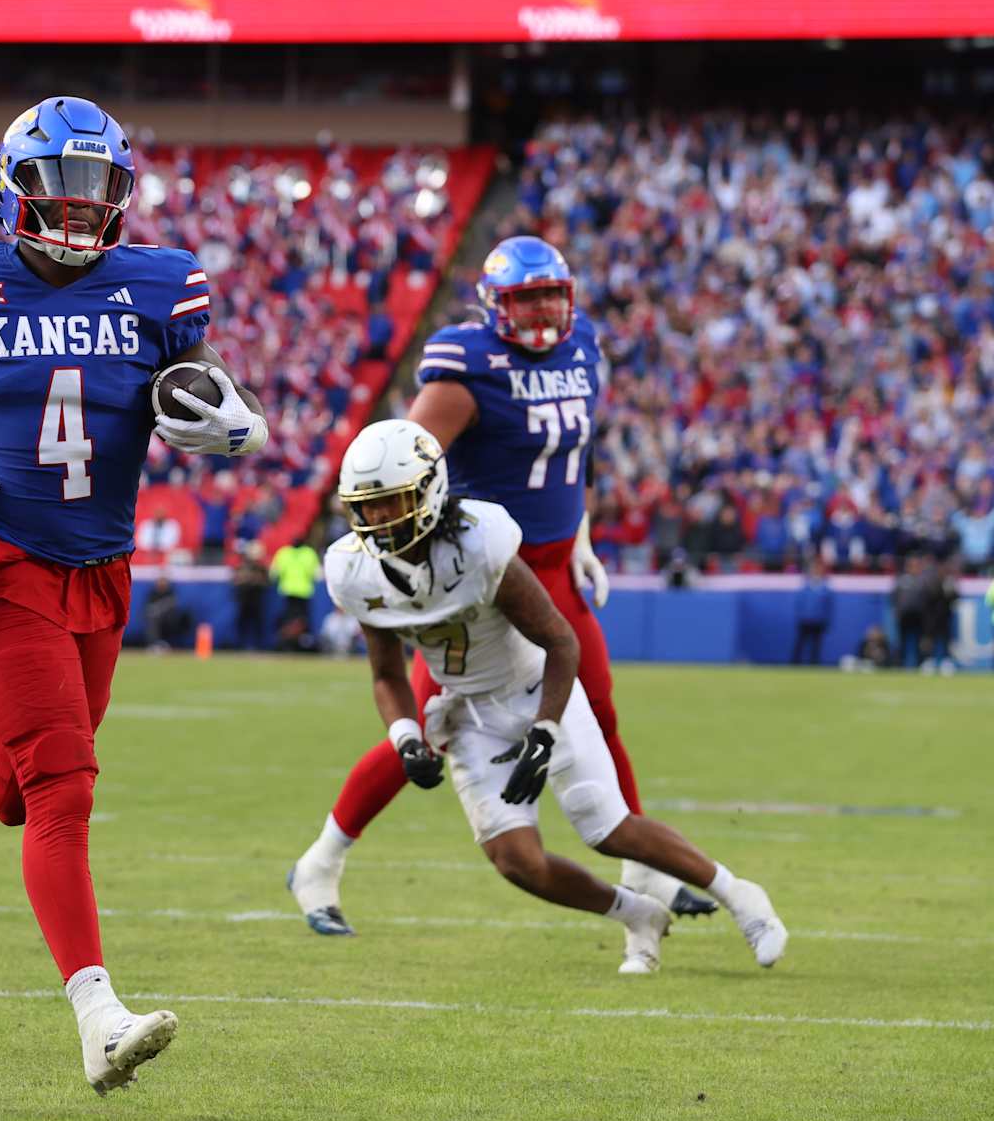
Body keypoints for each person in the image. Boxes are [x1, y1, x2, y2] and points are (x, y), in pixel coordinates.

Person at [0, 95, 269, 1095]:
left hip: (102, 570)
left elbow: (214, 391)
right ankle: (98, 1017)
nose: (77, 208)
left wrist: (235, 425)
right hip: (1, 562)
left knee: (13, 789)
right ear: (15, 190)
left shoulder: (160, 286)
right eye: (59, 187)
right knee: (64, 789)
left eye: (94, 190)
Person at [290, 236, 710, 937]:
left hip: (553, 567)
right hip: (481, 577)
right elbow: (403, 465)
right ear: (495, 305)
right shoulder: (465, 369)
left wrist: (580, 533)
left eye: (550, 294)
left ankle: (647, 871)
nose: (542, 310)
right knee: (426, 730)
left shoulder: (582, 348)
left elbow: (576, 448)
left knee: (598, 711)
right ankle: (321, 860)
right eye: (526, 297)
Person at [311, 421, 786, 973]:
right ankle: (638, 915)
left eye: (389, 502)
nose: (377, 519)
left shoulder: (480, 541)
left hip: (536, 687)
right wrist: (405, 737)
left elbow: (561, 641)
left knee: (608, 828)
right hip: (468, 712)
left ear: (427, 491)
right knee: (517, 861)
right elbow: (386, 674)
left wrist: (544, 732)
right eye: (366, 506)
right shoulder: (353, 569)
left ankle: (741, 896)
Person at [270, 531, 321, 651]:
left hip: (288, 591)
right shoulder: (309, 553)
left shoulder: (284, 553)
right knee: (302, 621)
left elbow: (274, 573)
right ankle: (301, 644)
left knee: (289, 620)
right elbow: (317, 574)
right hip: (304, 592)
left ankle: (288, 644)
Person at [791, 558, 833, 665]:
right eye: (814, 569)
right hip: (805, 620)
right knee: (800, 643)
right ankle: (795, 664)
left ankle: (814, 664)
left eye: (818, 569)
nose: (815, 571)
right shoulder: (805, 586)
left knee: (816, 645)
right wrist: (800, 616)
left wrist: (826, 620)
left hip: (819, 621)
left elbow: (828, 607)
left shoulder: (825, 588)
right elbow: (800, 604)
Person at [231, 541, 270, 651]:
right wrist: (246, 580)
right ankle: (239, 644)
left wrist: (255, 580)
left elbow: (266, 583)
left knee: (258, 623)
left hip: (256, 599)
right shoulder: (242, 566)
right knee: (242, 622)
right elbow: (235, 580)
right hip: (244, 599)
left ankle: (259, 645)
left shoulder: (261, 568)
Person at [143, 575, 191, 652]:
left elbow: (173, 607)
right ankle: (155, 645)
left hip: (170, 620)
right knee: (152, 620)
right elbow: (148, 609)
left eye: (163, 582)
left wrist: (160, 609)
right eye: (160, 581)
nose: (162, 584)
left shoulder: (171, 593)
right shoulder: (153, 593)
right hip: (157, 620)